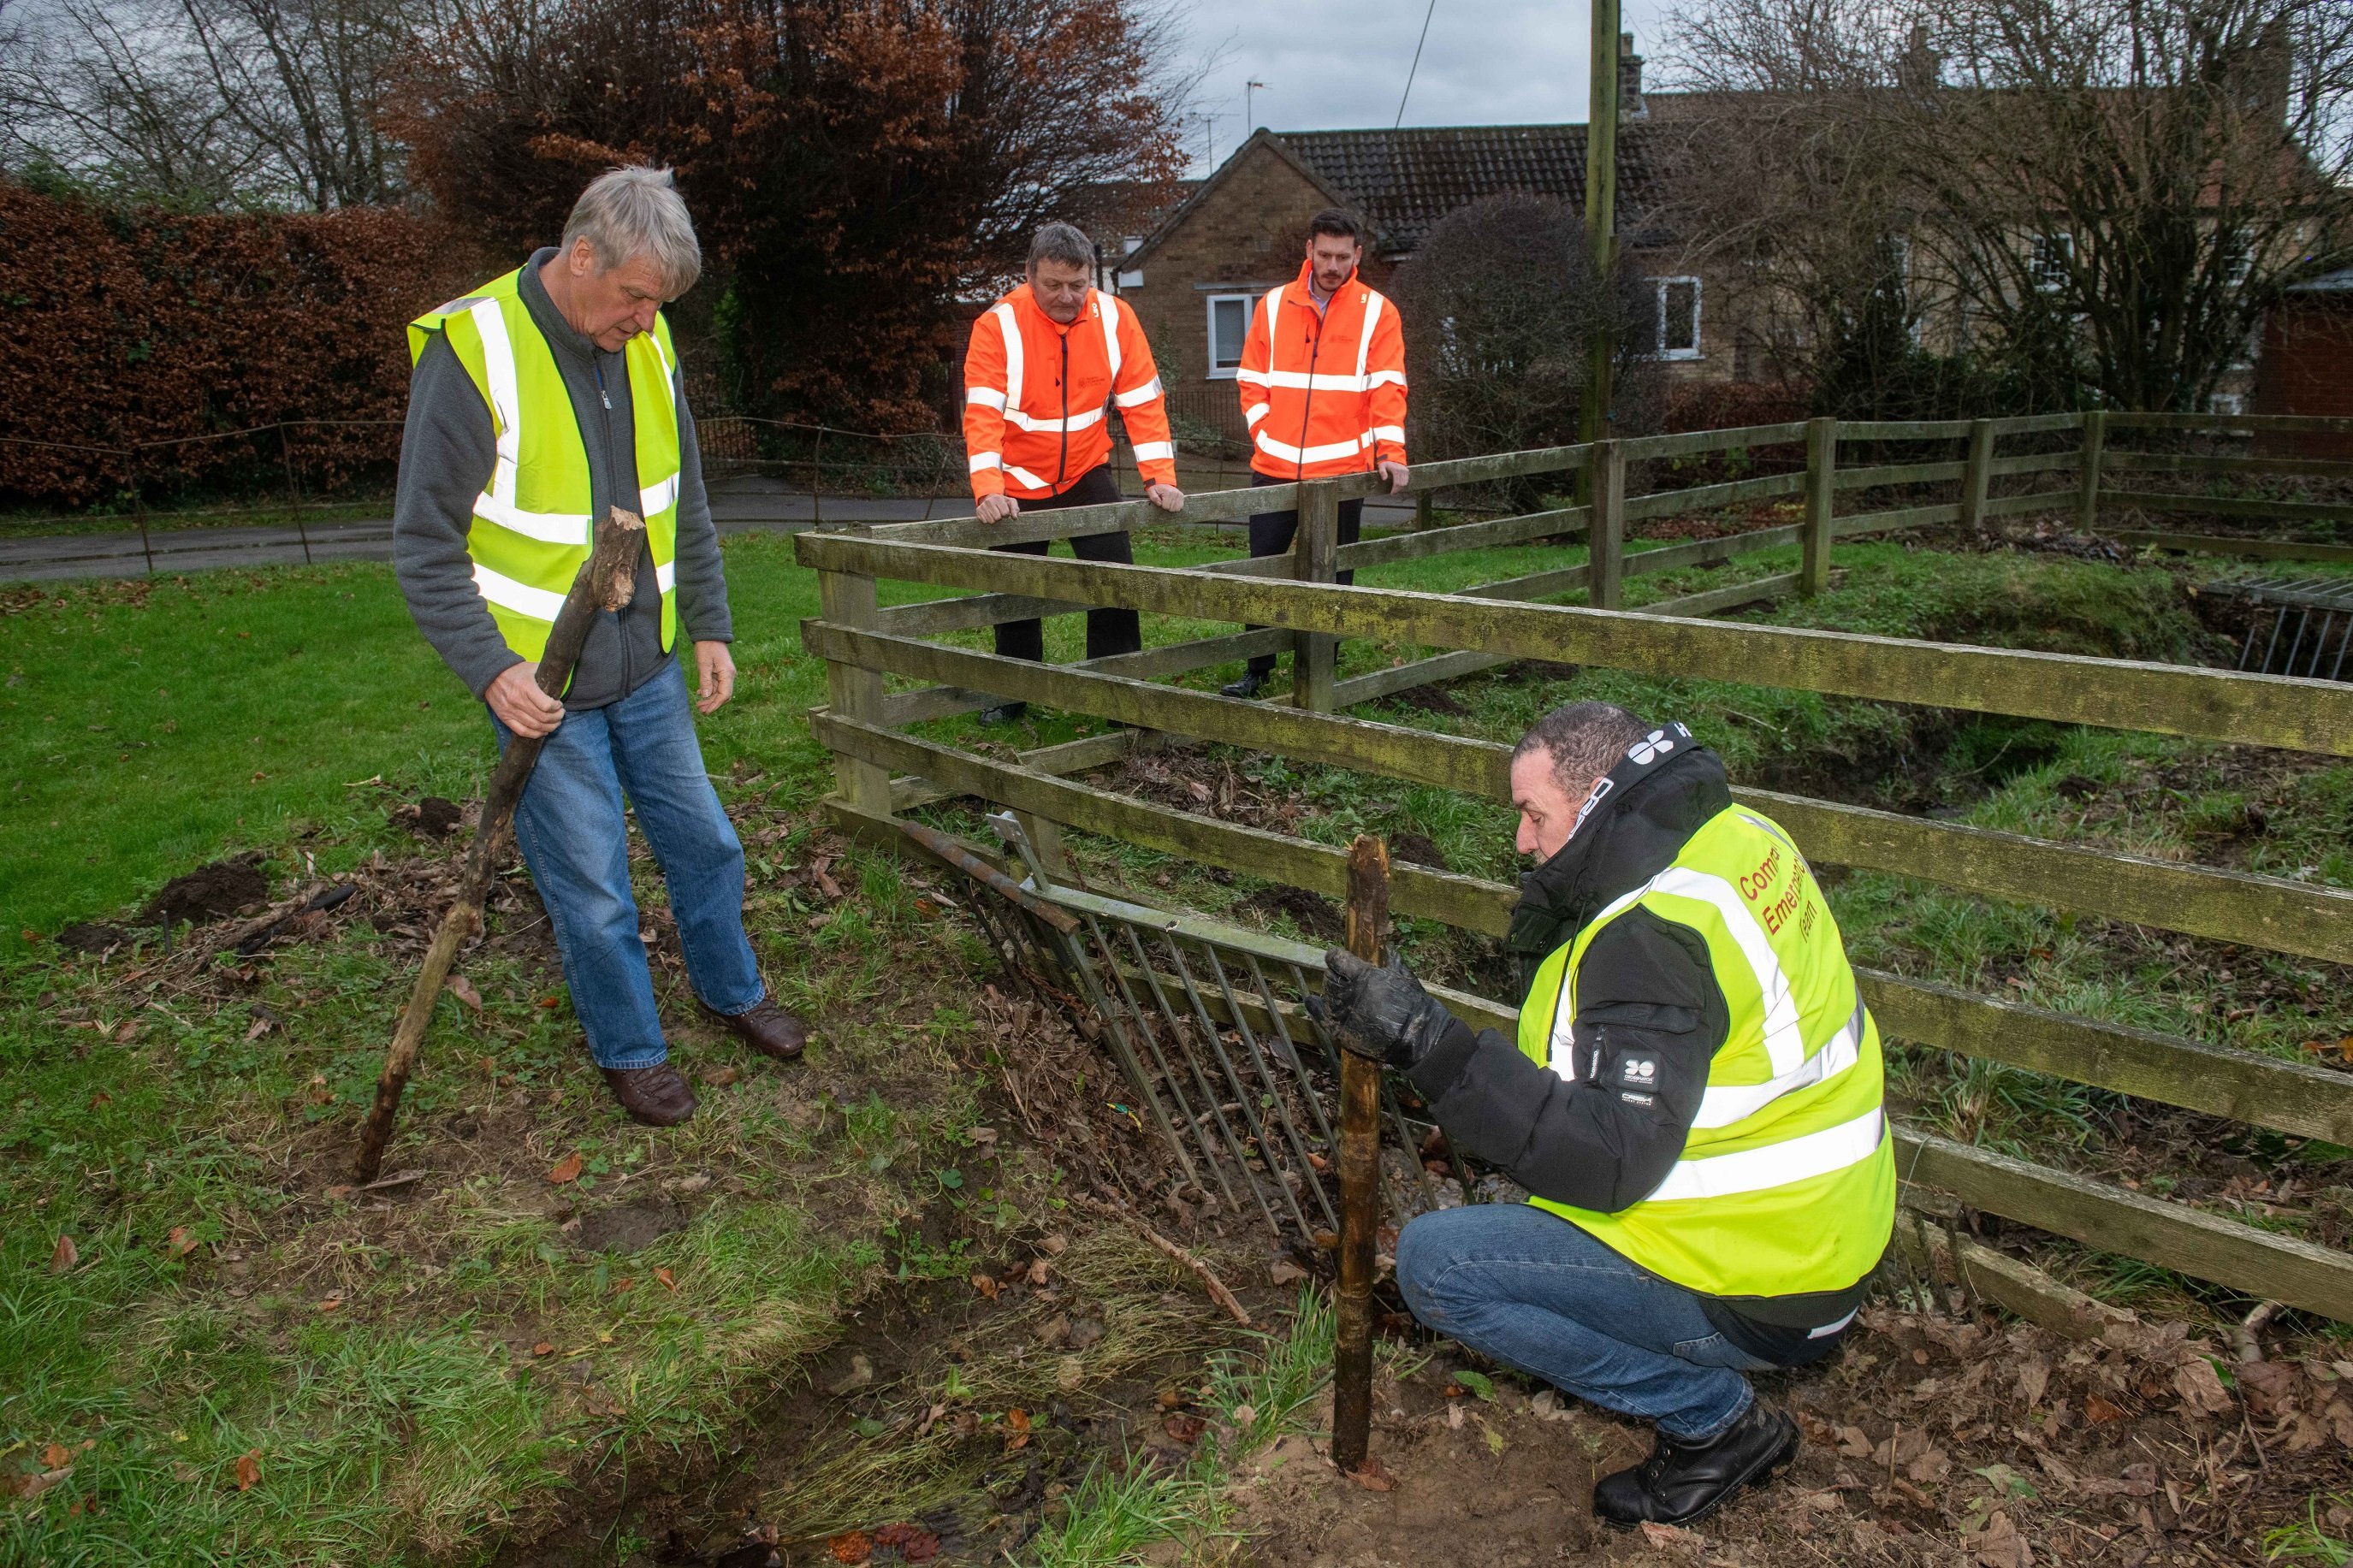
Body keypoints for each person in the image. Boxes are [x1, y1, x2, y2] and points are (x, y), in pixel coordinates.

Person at [1313, 701, 1894, 1527]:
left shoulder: (1652, 934)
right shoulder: (1738, 835)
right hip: (1823, 1232)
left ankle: (1715, 1423)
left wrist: (1427, 1042)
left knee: (1440, 1266)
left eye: (1532, 813)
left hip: (1765, 1279)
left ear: (1594, 800)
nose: (1521, 840)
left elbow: (1611, 1162)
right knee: (1521, 1212)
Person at [393, 166, 808, 1128]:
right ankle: (631, 1048)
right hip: (543, 688)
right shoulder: (473, 351)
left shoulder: (646, 342)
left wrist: (706, 622)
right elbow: (422, 547)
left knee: (705, 844)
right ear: (581, 257)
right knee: (592, 889)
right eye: (633, 295)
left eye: (658, 302)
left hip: (648, 666)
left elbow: (682, 499)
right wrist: (493, 673)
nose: (646, 318)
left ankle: (730, 990)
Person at [963, 222, 1184, 725]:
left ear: (1092, 277)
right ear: (1029, 275)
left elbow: (1144, 403)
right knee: (1016, 592)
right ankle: (1013, 692)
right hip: (1016, 479)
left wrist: (1160, 477)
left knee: (1114, 579)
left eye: (1077, 285)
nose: (1067, 297)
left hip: (1086, 469)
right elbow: (981, 416)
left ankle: (1118, 692)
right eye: (1053, 285)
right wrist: (989, 490)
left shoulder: (1117, 319)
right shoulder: (996, 327)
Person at [1220, 209, 1409, 701]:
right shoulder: (1272, 305)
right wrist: (1264, 435)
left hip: (1343, 472)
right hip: (1274, 468)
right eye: (1323, 254)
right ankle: (1255, 669)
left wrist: (1391, 450)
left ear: (1358, 256)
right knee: (1263, 570)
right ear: (1309, 250)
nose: (1331, 265)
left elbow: (1388, 387)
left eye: (1342, 257)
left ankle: (1323, 666)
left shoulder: (1377, 312)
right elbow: (1252, 378)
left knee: (1335, 573)